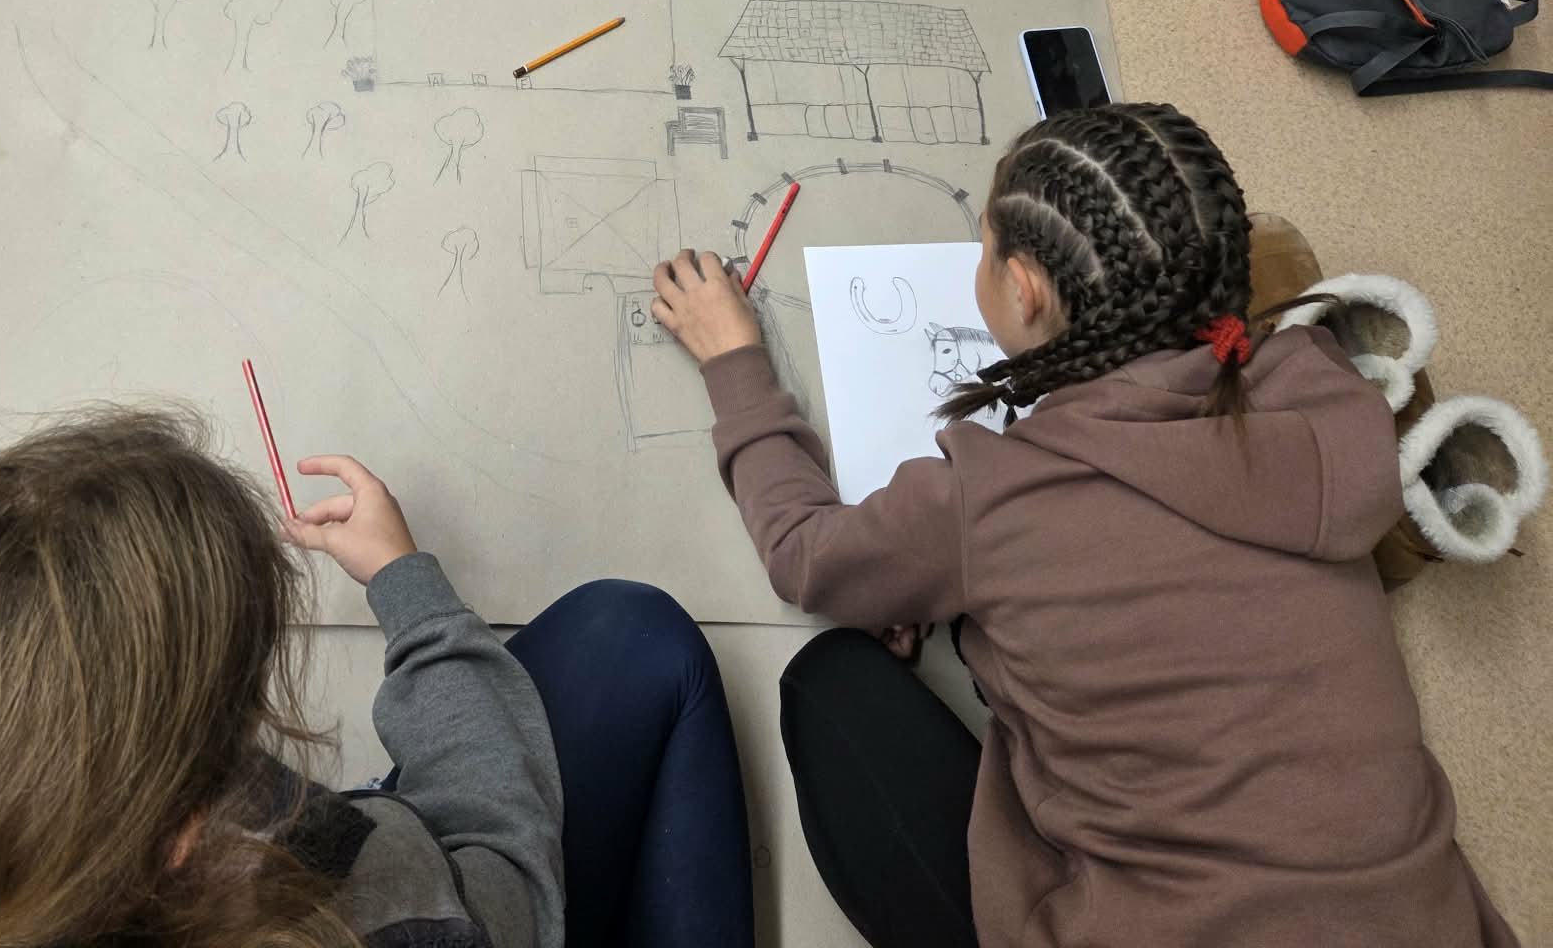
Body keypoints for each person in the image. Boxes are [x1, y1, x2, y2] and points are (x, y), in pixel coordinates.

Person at [649, 102, 1518, 948]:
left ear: (1024, 292)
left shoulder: (990, 497)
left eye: (983, 249)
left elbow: (804, 555)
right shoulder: (1319, 394)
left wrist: (734, 363)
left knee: (830, 680)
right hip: (1422, 920)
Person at [0, 409, 754, 948]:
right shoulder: (364, 911)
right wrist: (412, 596)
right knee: (633, 639)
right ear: (190, 833)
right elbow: (501, 858)